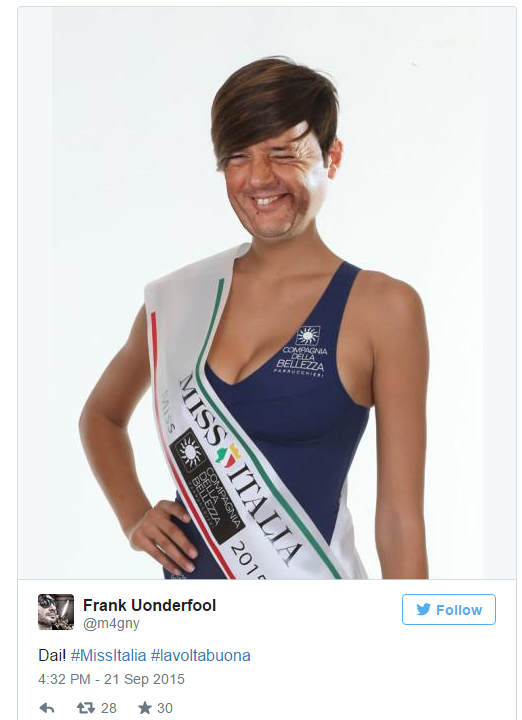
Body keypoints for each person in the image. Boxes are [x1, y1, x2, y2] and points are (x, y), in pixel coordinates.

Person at [79, 57, 429, 579]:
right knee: (59, 620)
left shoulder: (383, 308)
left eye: (283, 152)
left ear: (332, 157)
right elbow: (101, 416)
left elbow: (400, 522)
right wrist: (133, 516)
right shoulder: (179, 300)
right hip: (191, 623)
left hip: (315, 614)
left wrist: (419, 627)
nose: (259, 177)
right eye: (238, 156)